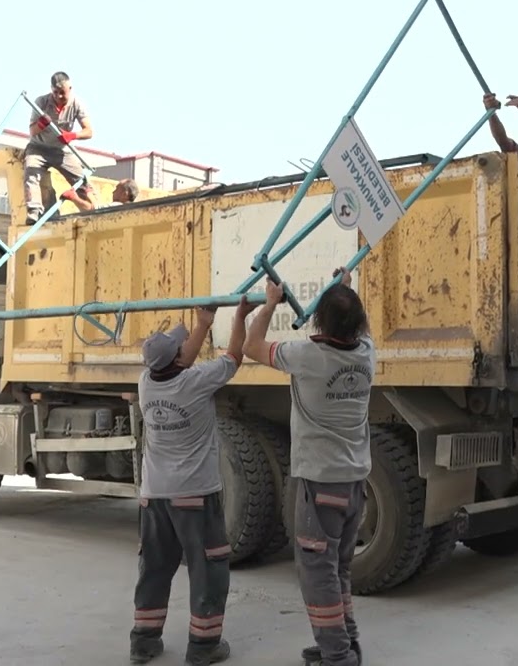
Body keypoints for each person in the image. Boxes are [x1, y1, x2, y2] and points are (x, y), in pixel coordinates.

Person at [242, 267, 373, 666]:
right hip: (354, 485)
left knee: (317, 574)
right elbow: (355, 328)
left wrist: (268, 304)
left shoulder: (307, 357)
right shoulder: (368, 353)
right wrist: (344, 289)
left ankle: (337, 656)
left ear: (321, 322)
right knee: (338, 569)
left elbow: (251, 346)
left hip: (321, 485)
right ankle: (345, 642)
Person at [130, 299, 254, 666]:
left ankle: (144, 642)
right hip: (195, 496)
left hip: (155, 497)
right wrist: (240, 317)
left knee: (153, 567)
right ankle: (203, 646)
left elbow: (179, 359)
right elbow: (234, 356)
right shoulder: (196, 383)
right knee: (207, 568)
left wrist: (202, 323)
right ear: (177, 359)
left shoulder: (145, 385)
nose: (185, 349)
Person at [23, 71, 95, 224]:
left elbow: (89, 131)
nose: (59, 97)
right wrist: (41, 124)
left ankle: (93, 208)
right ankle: (34, 211)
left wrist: (72, 135)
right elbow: (32, 131)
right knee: (31, 171)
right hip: (39, 148)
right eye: (55, 93)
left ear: (70, 89)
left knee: (82, 180)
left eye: (62, 93)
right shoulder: (41, 102)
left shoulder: (77, 104)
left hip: (61, 150)